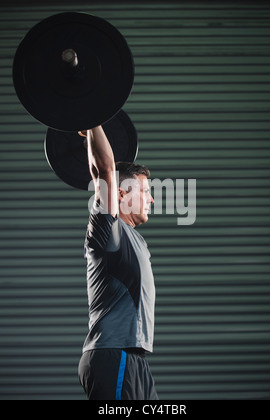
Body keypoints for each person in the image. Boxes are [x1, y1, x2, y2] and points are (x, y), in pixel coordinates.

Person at [78, 126, 158, 400]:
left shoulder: (133, 239)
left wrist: (89, 133)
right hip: (113, 353)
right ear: (121, 194)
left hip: (135, 358)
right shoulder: (109, 232)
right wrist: (93, 121)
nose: (151, 199)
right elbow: (103, 171)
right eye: (145, 191)